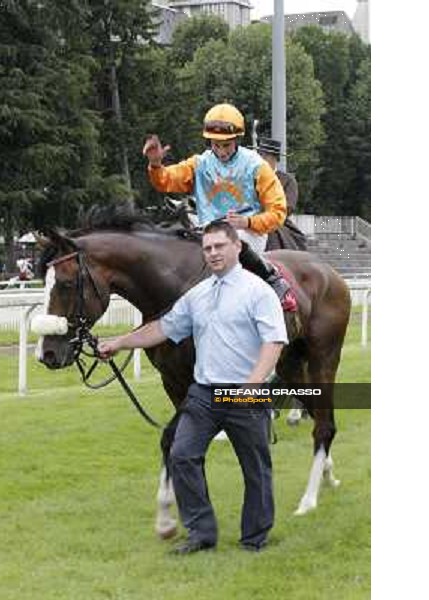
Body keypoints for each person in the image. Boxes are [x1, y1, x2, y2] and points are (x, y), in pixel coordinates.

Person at [98, 221, 288, 554]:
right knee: (182, 455)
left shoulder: (259, 292)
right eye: (208, 248)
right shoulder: (197, 295)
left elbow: (273, 343)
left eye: (219, 246)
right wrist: (120, 343)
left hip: (245, 392)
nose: (213, 253)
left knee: (255, 468)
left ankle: (254, 538)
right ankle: (201, 534)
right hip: (203, 393)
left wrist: (252, 385)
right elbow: (162, 328)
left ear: (237, 247)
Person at [142, 102, 296, 311]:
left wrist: (248, 221)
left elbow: (278, 212)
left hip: (248, 232)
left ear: (237, 140)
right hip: (208, 229)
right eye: (216, 145)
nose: (221, 151)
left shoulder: (256, 166)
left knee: (230, 244)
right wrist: (156, 165)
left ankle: (271, 277)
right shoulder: (199, 163)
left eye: (226, 145)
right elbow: (166, 181)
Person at [256, 137, 307, 251]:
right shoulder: (250, 177)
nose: (260, 159)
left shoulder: (287, 180)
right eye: (259, 155)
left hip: (276, 221)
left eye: (265, 156)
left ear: (274, 158)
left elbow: (288, 206)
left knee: (274, 235)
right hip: (249, 218)